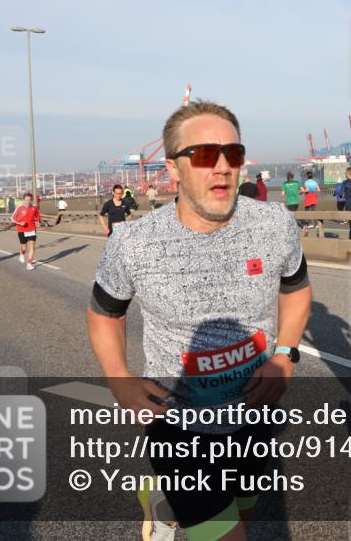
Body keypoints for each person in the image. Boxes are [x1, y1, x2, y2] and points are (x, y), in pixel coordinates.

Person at [86, 99, 311, 541]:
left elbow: (297, 288)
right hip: (177, 426)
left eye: (234, 153)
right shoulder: (133, 243)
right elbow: (104, 314)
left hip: (255, 412)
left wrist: (285, 354)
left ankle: (163, 503)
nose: (223, 166)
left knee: (243, 510)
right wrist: (119, 379)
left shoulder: (275, 225)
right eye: (205, 154)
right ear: (173, 169)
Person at [11, 192, 41, 271]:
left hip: (32, 229)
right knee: (24, 247)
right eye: (26, 200)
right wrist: (19, 222)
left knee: (32, 246)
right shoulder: (19, 208)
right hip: (22, 230)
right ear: (24, 200)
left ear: (31, 200)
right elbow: (12, 218)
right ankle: (22, 253)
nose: (28, 201)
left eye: (29, 200)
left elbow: (38, 215)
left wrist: (38, 221)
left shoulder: (34, 208)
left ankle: (29, 263)